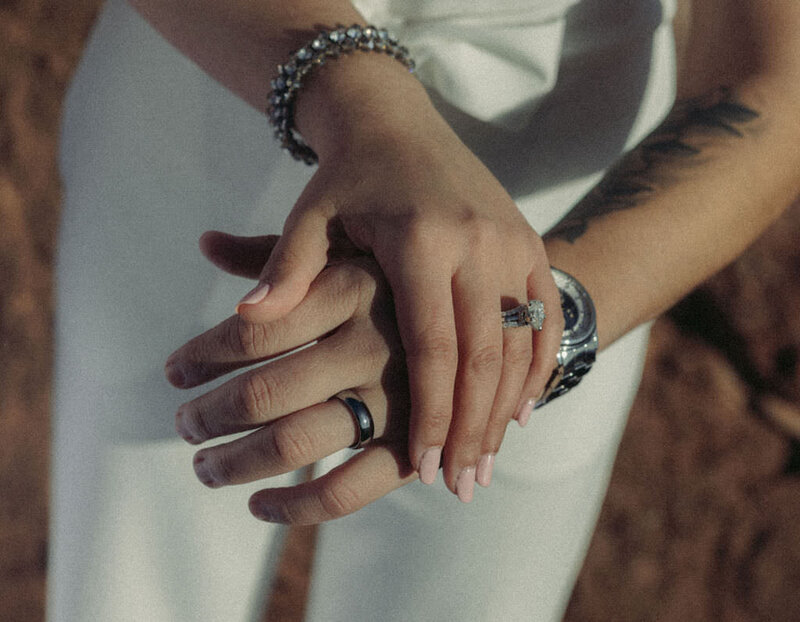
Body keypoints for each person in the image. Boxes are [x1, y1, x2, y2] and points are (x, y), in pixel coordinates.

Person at [49, 0, 800, 620]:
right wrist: (364, 111)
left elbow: (777, 75)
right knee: (135, 590)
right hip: (212, 94)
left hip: (568, 229)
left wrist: (520, 326)